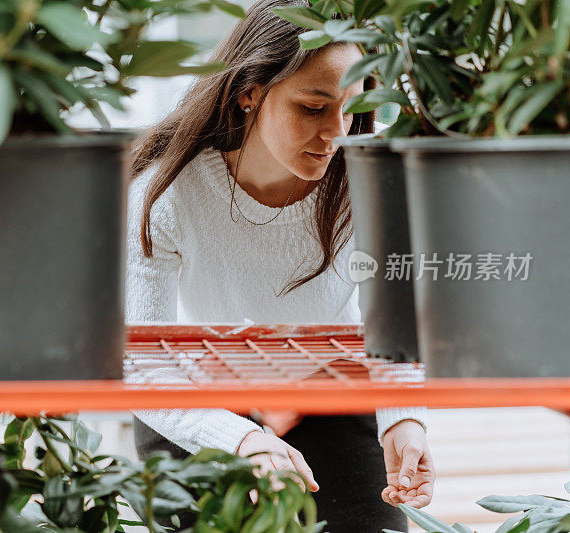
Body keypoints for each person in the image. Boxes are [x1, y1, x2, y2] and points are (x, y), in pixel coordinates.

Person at [124, 0, 436, 531]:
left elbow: (393, 328)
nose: (335, 133)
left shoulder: (368, 180)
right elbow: (142, 362)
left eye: (349, 109)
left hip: (327, 387)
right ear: (250, 92)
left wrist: (404, 422)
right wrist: (240, 439)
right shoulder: (168, 192)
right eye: (313, 109)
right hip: (201, 402)